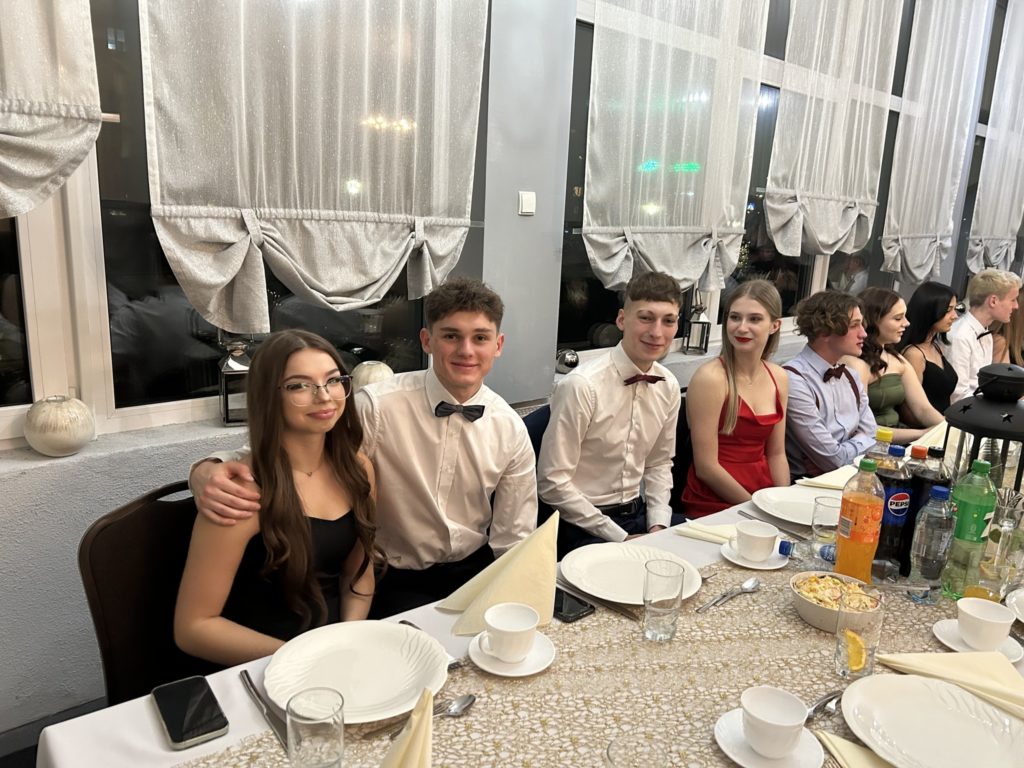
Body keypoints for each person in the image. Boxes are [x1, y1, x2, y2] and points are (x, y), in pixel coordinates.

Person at [190, 278, 538, 618]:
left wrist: (517, 601)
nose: (466, 350)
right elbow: (299, 447)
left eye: (480, 337)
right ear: (427, 340)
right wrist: (207, 469)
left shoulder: (510, 428)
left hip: (475, 572)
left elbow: (514, 536)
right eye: (451, 336)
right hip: (393, 578)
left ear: (498, 345)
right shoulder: (378, 406)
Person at [175, 330, 380, 666]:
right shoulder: (240, 491)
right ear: (269, 397)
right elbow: (193, 628)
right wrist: (303, 659)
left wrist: (346, 641)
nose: (324, 396)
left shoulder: (359, 470)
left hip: (334, 654)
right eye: (299, 386)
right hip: (260, 663)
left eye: (333, 380)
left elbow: (357, 575)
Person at [537, 271, 681, 557]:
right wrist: (620, 537)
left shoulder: (669, 385)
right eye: (646, 318)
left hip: (639, 516)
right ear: (622, 320)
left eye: (668, 321)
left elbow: (659, 463)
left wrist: (658, 525)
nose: (657, 332)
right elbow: (552, 483)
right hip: (581, 526)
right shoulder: (582, 386)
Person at [682, 280, 789, 517]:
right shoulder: (711, 378)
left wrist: (783, 503)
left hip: (764, 493)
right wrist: (758, 510)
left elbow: (777, 453)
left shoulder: (779, 377)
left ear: (774, 325)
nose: (741, 328)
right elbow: (706, 468)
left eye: (754, 319)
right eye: (735, 317)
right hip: (716, 501)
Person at [783, 291, 878, 480]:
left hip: (851, 478)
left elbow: (873, 436)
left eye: (862, 324)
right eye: (854, 325)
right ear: (824, 331)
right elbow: (833, 459)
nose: (864, 333)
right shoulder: (794, 379)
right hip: (808, 485)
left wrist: (847, 449)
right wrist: (861, 440)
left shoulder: (851, 376)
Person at [841, 287, 943, 444]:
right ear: (874, 320)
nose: (906, 323)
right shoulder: (855, 363)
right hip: (870, 443)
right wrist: (921, 434)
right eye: (898, 318)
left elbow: (923, 409)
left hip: (898, 437)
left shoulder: (897, 359)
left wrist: (947, 428)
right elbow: (861, 428)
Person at [947, 269, 1020, 403]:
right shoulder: (960, 336)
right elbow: (957, 395)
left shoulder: (985, 333)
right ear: (993, 301)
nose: (1016, 306)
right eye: (1013, 300)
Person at [900, 281, 960, 413]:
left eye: (955, 309)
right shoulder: (914, 354)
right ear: (930, 310)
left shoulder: (936, 347)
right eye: (948, 310)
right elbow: (909, 410)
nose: (955, 316)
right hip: (928, 424)